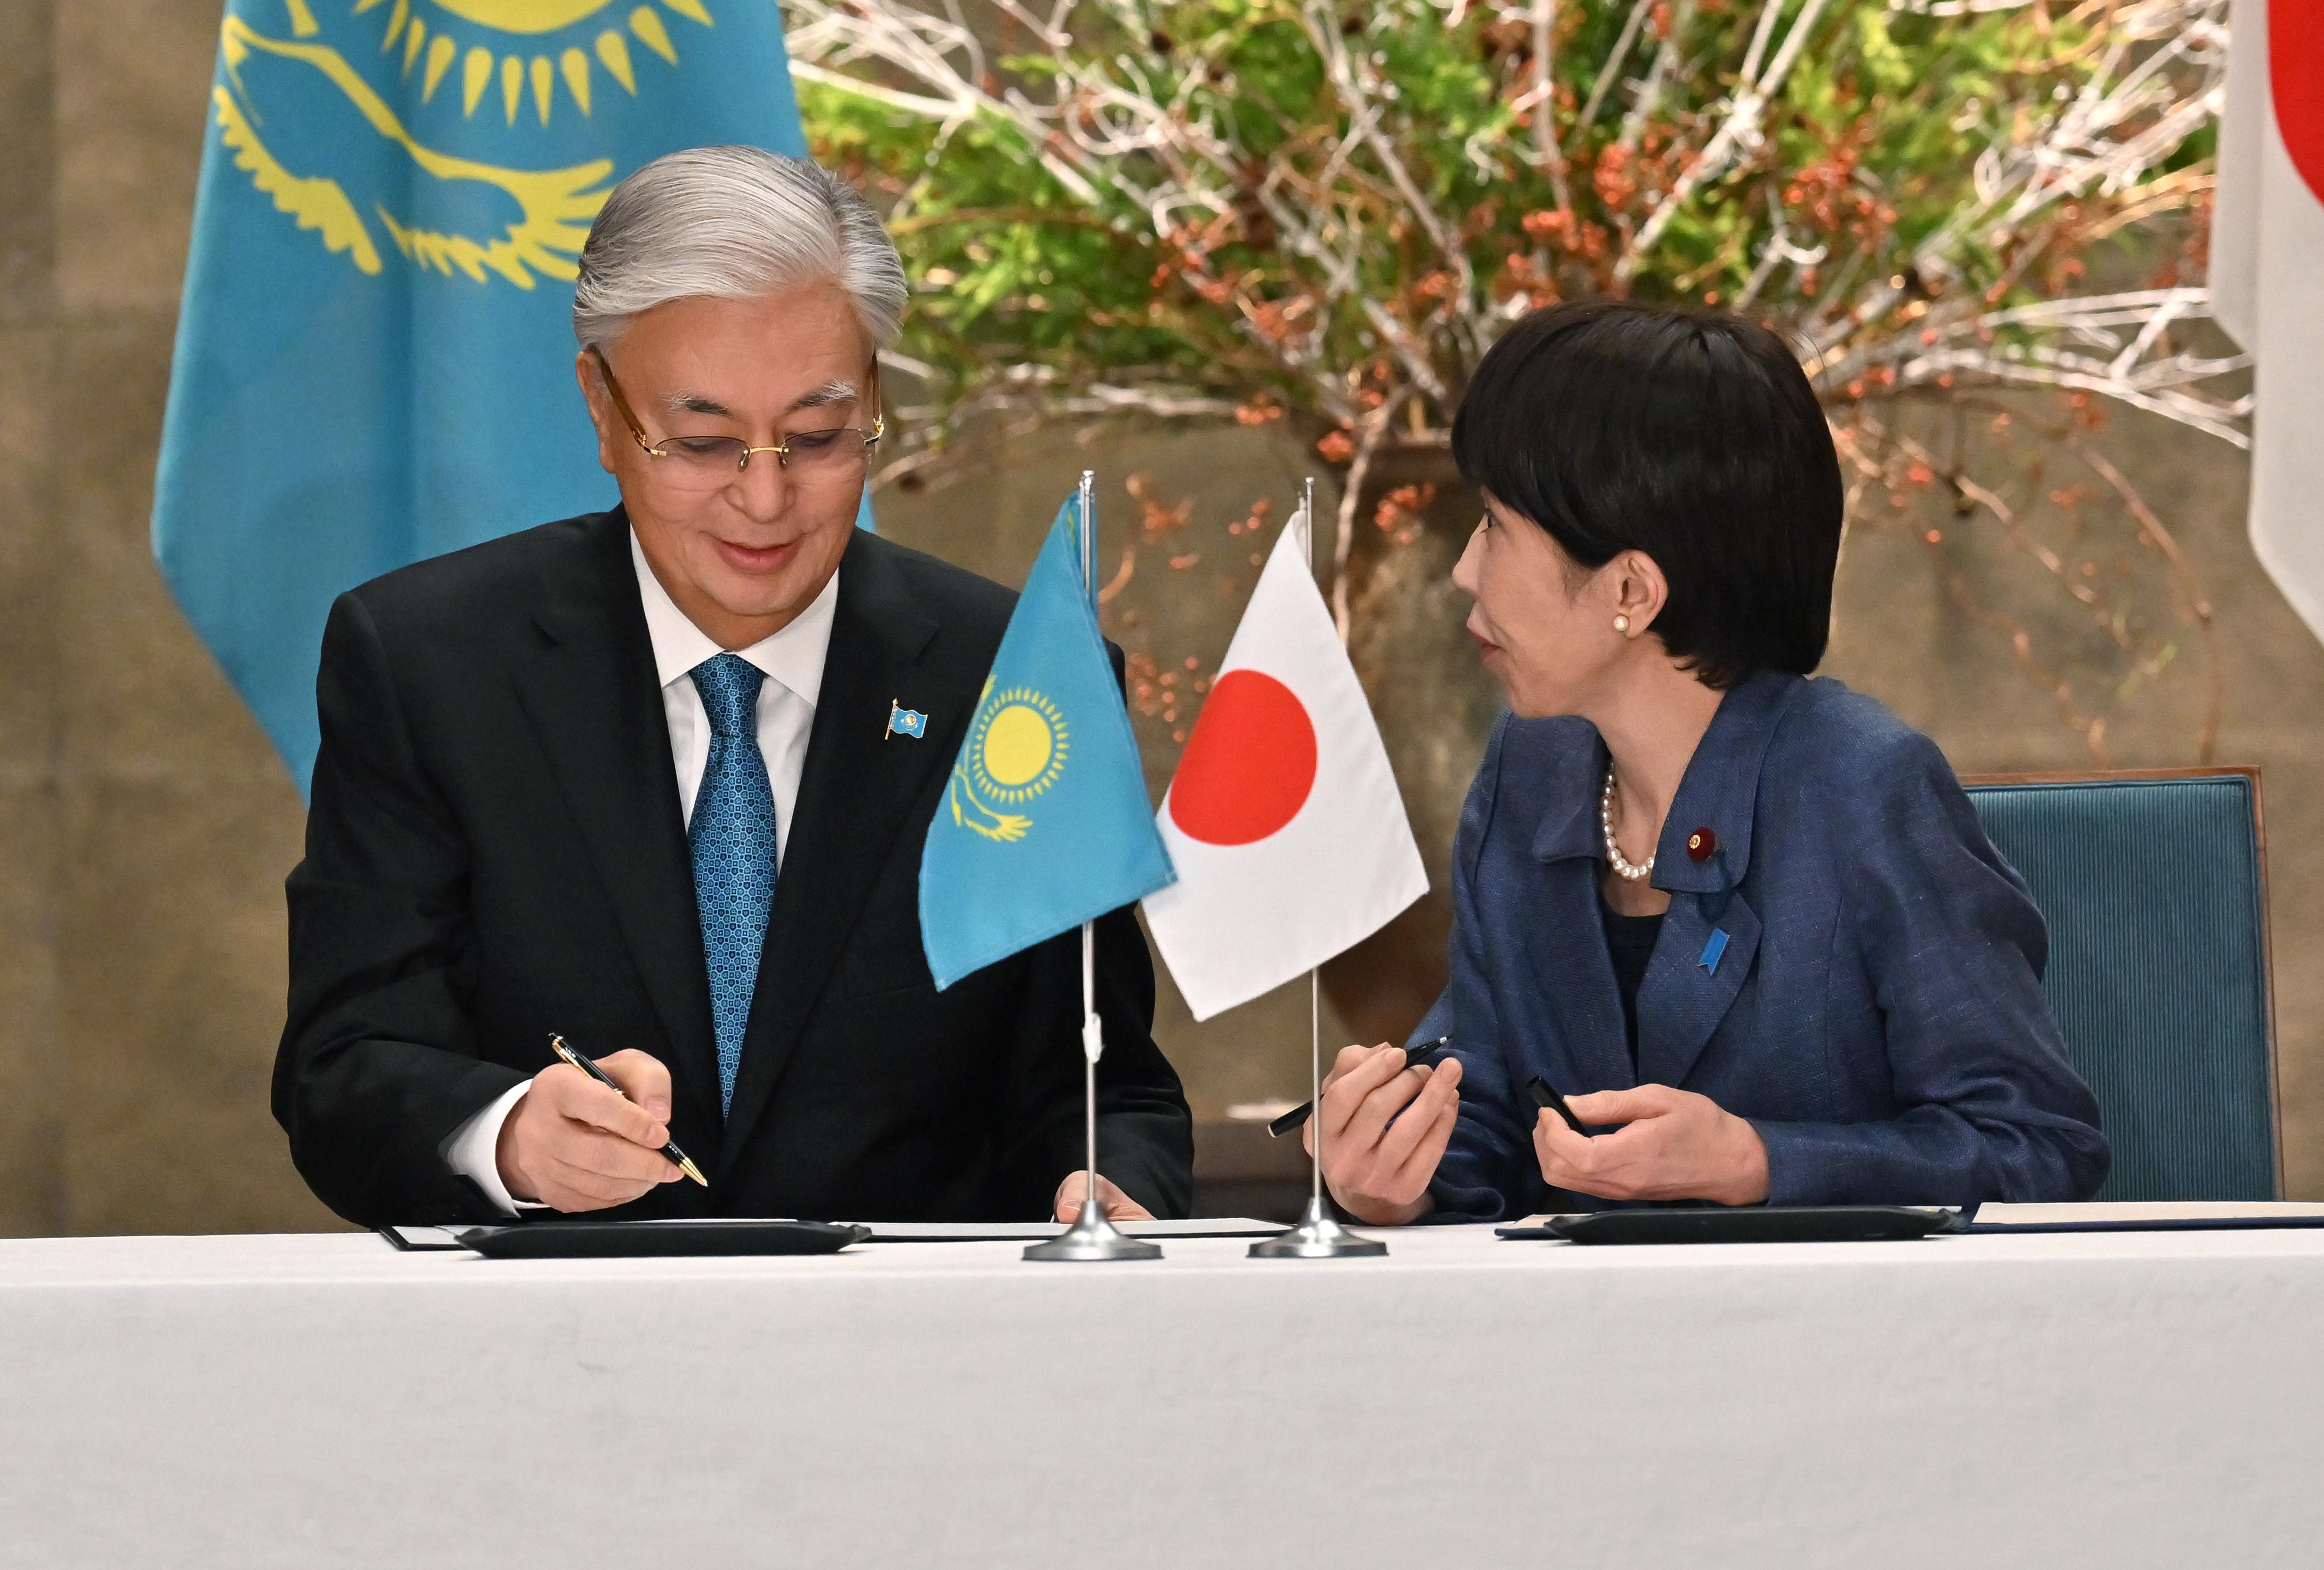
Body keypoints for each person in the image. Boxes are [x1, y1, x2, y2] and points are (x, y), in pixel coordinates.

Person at [272, 147, 1192, 1226]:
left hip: (916, 1322)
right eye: (704, 442)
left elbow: (1104, 1090)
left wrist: (1108, 1188)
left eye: (817, 437)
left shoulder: (1017, 679)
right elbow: (345, 1064)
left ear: (874, 398)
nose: (765, 499)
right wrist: (511, 1135)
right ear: (602, 408)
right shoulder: (430, 663)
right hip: (561, 1319)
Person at [1308, 299, 2109, 1223]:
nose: (1462, 570)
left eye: (1493, 525)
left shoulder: (1864, 786)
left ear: (1631, 590)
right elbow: (1485, 1115)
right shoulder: (1533, 770)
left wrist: (1759, 1163)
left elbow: (2039, 1147)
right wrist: (1392, 1177)